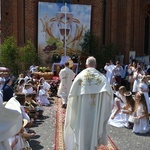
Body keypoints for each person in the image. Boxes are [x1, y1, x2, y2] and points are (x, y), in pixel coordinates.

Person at [64, 56, 113, 149]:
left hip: (82, 114)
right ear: (96, 65)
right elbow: (109, 98)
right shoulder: (102, 78)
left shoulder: (80, 77)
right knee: (94, 130)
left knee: (82, 129)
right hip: (96, 115)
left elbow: (72, 97)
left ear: (86, 65)